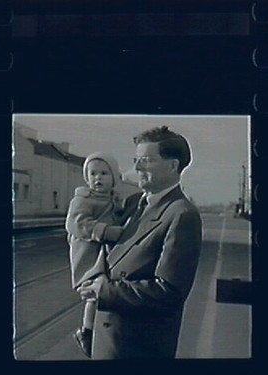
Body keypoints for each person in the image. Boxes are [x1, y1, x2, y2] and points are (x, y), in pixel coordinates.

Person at [77, 126, 203, 359]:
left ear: (173, 166)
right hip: (107, 340)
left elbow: (168, 292)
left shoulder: (182, 214)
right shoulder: (135, 202)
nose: (136, 168)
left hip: (137, 348)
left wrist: (103, 290)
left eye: (146, 160)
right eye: (136, 160)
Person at [65, 152, 127, 358]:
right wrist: (106, 231)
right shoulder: (82, 199)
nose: (97, 178)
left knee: (104, 289)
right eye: (92, 174)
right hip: (87, 252)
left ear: (114, 178)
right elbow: (76, 223)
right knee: (93, 291)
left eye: (103, 173)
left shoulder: (113, 199)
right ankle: (87, 331)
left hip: (102, 252)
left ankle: (97, 328)